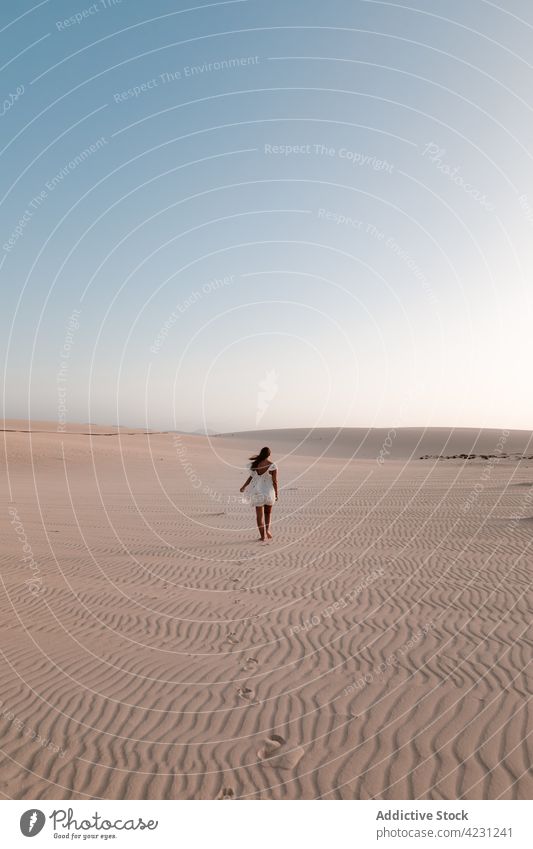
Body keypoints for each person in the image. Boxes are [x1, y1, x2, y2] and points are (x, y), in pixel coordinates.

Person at [240, 446, 278, 541]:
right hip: (268, 492)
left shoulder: (256, 464)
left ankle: (262, 536)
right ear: (269, 454)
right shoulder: (272, 465)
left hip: (257, 493)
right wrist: (276, 494)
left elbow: (251, 478)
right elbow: (275, 481)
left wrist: (244, 486)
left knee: (259, 516)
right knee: (268, 513)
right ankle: (268, 530)